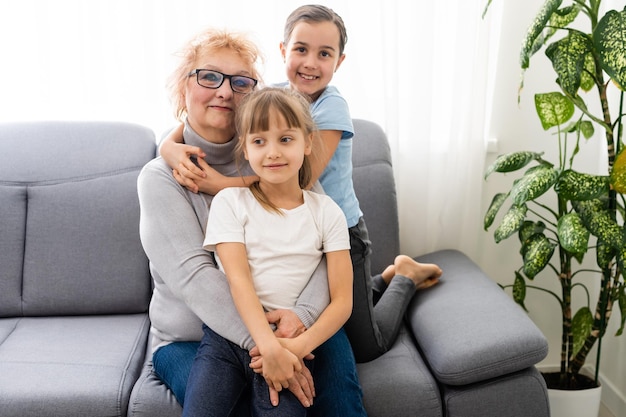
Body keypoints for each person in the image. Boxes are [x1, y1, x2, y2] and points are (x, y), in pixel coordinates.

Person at [160, 5, 442, 364]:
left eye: (324, 54)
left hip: (341, 232)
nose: (310, 62)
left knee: (366, 347)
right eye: (301, 49)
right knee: (350, 301)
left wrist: (220, 183)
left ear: (339, 61)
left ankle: (404, 277)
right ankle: (377, 284)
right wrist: (169, 146)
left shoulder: (332, 108)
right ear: (283, 51)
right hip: (302, 234)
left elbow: (303, 176)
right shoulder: (273, 96)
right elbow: (205, 118)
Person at [137, 27, 367, 416]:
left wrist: (299, 323)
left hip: (297, 323)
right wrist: (269, 349)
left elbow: (325, 253)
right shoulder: (161, 177)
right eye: (209, 77)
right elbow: (198, 277)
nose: (225, 91)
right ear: (183, 90)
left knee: (340, 402)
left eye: (240, 82)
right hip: (193, 339)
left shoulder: (273, 153)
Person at [183, 87, 353, 416]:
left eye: (285, 139)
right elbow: (239, 281)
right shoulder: (230, 202)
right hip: (228, 340)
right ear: (245, 148)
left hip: (292, 342)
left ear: (307, 142)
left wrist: (294, 348)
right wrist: (268, 346)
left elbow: (343, 300)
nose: (272, 152)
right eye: (259, 141)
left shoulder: (326, 211)